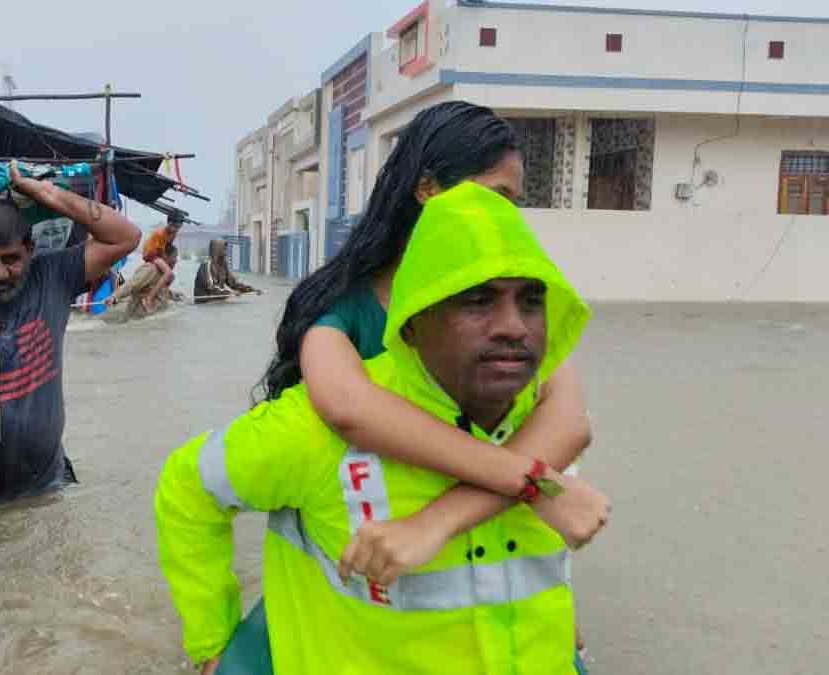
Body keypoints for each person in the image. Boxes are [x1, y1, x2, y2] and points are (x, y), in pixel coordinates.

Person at [156, 182, 609, 674]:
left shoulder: (538, 416)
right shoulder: (315, 429)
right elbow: (187, 488)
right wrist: (212, 644)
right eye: (478, 300)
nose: (514, 327)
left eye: (531, 300)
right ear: (411, 324)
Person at [250, 103, 604, 668]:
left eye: (512, 203)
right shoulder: (345, 307)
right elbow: (348, 409)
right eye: (490, 196)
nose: (504, 216)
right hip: (369, 547)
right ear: (427, 190)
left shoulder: (512, 301)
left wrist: (440, 522)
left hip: (478, 538)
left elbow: (569, 421)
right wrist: (540, 487)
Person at [0, 161, 140, 504]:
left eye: (11, 259)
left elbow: (127, 236)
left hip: (47, 487)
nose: (0, 273)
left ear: (30, 251)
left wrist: (43, 191)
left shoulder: (52, 276)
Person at [107, 244, 179, 320]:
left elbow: (160, 290)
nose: (176, 261)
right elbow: (132, 284)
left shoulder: (163, 275)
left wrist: (173, 295)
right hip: (138, 316)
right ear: (165, 256)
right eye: (174, 257)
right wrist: (114, 296)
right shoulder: (150, 268)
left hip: (154, 317)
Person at [140, 212, 183, 312]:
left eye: (178, 227)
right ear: (169, 223)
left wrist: (170, 260)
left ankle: (161, 290)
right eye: (175, 226)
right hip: (151, 253)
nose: (176, 230)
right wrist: (165, 261)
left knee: (171, 276)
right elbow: (158, 251)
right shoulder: (159, 234)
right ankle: (148, 299)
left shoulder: (173, 234)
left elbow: (167, 247)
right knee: (168, 273)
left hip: (160, 253)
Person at [194, 239, 256, 304]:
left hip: (220, 301)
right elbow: (211, 286)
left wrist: (250, 289)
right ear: (217, 250)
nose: (225, 252)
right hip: (205, 302)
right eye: (224, 249)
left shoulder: (223, 265)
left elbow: (232, 283)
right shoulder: (205, 265)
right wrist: (230, 293)